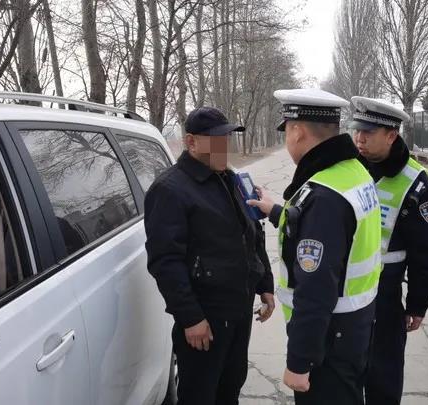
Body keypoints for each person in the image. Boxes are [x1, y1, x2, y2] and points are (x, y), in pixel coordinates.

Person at [248, 88, 382, 405]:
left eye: (287, 132)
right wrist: (276, 211)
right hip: (354, 326)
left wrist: (300, 361)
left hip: (328, 339)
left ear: (297, 131)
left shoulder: (323, 196)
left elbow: (316, 287)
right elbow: (332, 235)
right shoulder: (353, 173)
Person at [144, 106, 275, 405]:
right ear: (191, 142)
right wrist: (191, 317)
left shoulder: (229, 178)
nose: (224, 147)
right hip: (206, 316)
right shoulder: (170, 190)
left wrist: (264, 284)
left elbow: (251, 233)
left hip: (239, 309)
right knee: (200, 395)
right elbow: (165, 262)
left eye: (226, 139)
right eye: (216, 140)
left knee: (231, 386)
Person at [349, 96, 428, 405]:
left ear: (391, 135)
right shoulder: (347, 168)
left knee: (383, 376)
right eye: (357, 130)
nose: (359, 138)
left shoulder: (415, 182)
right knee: (343, 375)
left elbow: (425, 249)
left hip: (385, 298)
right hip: (344, 293)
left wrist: (418, 303)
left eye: (368, 132)